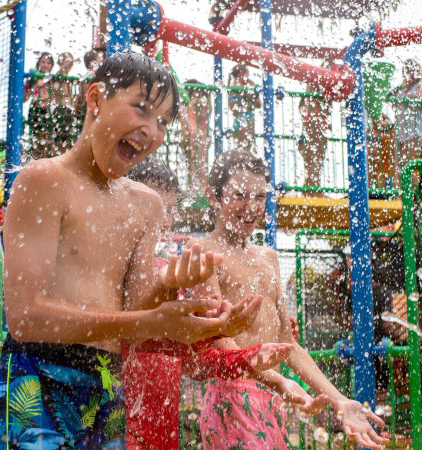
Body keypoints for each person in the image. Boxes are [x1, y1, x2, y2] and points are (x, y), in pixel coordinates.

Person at [0, 52, 245, 449]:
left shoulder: (146, 205)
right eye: (140, 108)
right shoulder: (44, 180)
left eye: (162, 122)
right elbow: (25, 317)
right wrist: (154, 319)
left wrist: (177, 292)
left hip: (106, 381)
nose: (150, 130)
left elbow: (138, 314)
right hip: (35, 373)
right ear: (95, 98)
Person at [191, 151, 390, 449]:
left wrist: (339, 400)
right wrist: (277, 381)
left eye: (260, 196)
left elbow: (288, 345)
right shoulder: (204, 252)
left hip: (272, 397)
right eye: (239, 195)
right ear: (213, 196)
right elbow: (220, 341)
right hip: (231, 395)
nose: (252, 206)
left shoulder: (268, 257)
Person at [122, 158, 294, 449]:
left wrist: (221, 334)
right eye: (154, 207)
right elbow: (131, 335)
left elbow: (189, 357)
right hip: (114, 411)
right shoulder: (113, 271)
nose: (163, 219)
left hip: (160, 422)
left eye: (169, 209)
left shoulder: (170, 270)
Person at [393, 59, 422, 186]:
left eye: (410, 69)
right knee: (400, 167)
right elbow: (389, 97)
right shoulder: (403, 86)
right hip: (402, 132)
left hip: (415, 131)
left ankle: (412, 198)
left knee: (410, 166)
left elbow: (419, 95)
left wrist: (403, 99)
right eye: (406, 69)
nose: (408, 72)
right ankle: (399, 196)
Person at [298, 64, 333, 190]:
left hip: (316, 132)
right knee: (313, 163)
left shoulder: (319, 98)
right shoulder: (311, 97)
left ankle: (313, 189)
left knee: (316, 163)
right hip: (312, 133)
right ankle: (311, 190)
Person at [181, 79, 212, 191]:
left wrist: (208, 96)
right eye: (197, 92)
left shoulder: (202, 106)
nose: (200, 96)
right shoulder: (188, 105)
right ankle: (193, 188)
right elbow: (185, 119)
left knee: (202, 163)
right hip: (191, 135)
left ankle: (202, 189)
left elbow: (210, 110)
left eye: (202, 93)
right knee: (191, 163)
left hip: (201, 135)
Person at [25, 52, 55, 159]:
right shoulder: (34, 78)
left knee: (46, 139)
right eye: (43, 62)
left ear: (51, 66)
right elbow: (25, 98)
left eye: (48, 63)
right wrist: (34, 87)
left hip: (46, 110)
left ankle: (44, 159)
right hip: (35, 109)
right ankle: (34, 158)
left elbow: (54, 98)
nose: (45, 65)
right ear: (38, 63)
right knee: (35, 138)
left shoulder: (52, 79)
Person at [228, 65, 261, 151]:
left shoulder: (243, 87)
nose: (248, 78)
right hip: (241, 122)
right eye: (247, 75)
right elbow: (254, 100)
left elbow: (259, 105)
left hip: (247, 120)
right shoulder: (236, 87)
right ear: (240, 74)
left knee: (245, 150)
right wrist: (253, 86)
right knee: (242, 150)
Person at [52, 52, 79, 153]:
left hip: (68, 111)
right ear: (59, 62)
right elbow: (60, 71)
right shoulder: (58, 76)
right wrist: (71, 61)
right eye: (65, 61)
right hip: (60, 109)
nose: (68, 64)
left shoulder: (69, 78)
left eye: (69, 61)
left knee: (68, 141)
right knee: (59, 141)